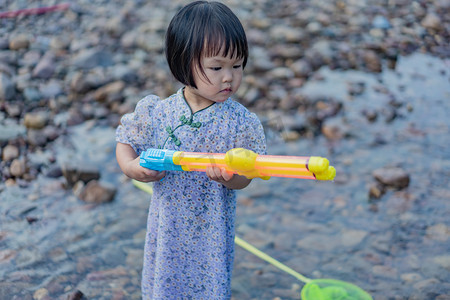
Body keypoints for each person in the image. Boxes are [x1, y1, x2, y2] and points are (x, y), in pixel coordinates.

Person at [115, 1, 266, 298]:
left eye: (237, 66)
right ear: (182, 63)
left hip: (211, 230)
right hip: (168, 225)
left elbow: (248, 176)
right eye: (216, 67)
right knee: (165, 283)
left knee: (208, 286)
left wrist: (229, 178)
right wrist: (133, 169)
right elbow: (125, 141)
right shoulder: (159, 112)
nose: (229, 77)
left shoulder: (239, 122)